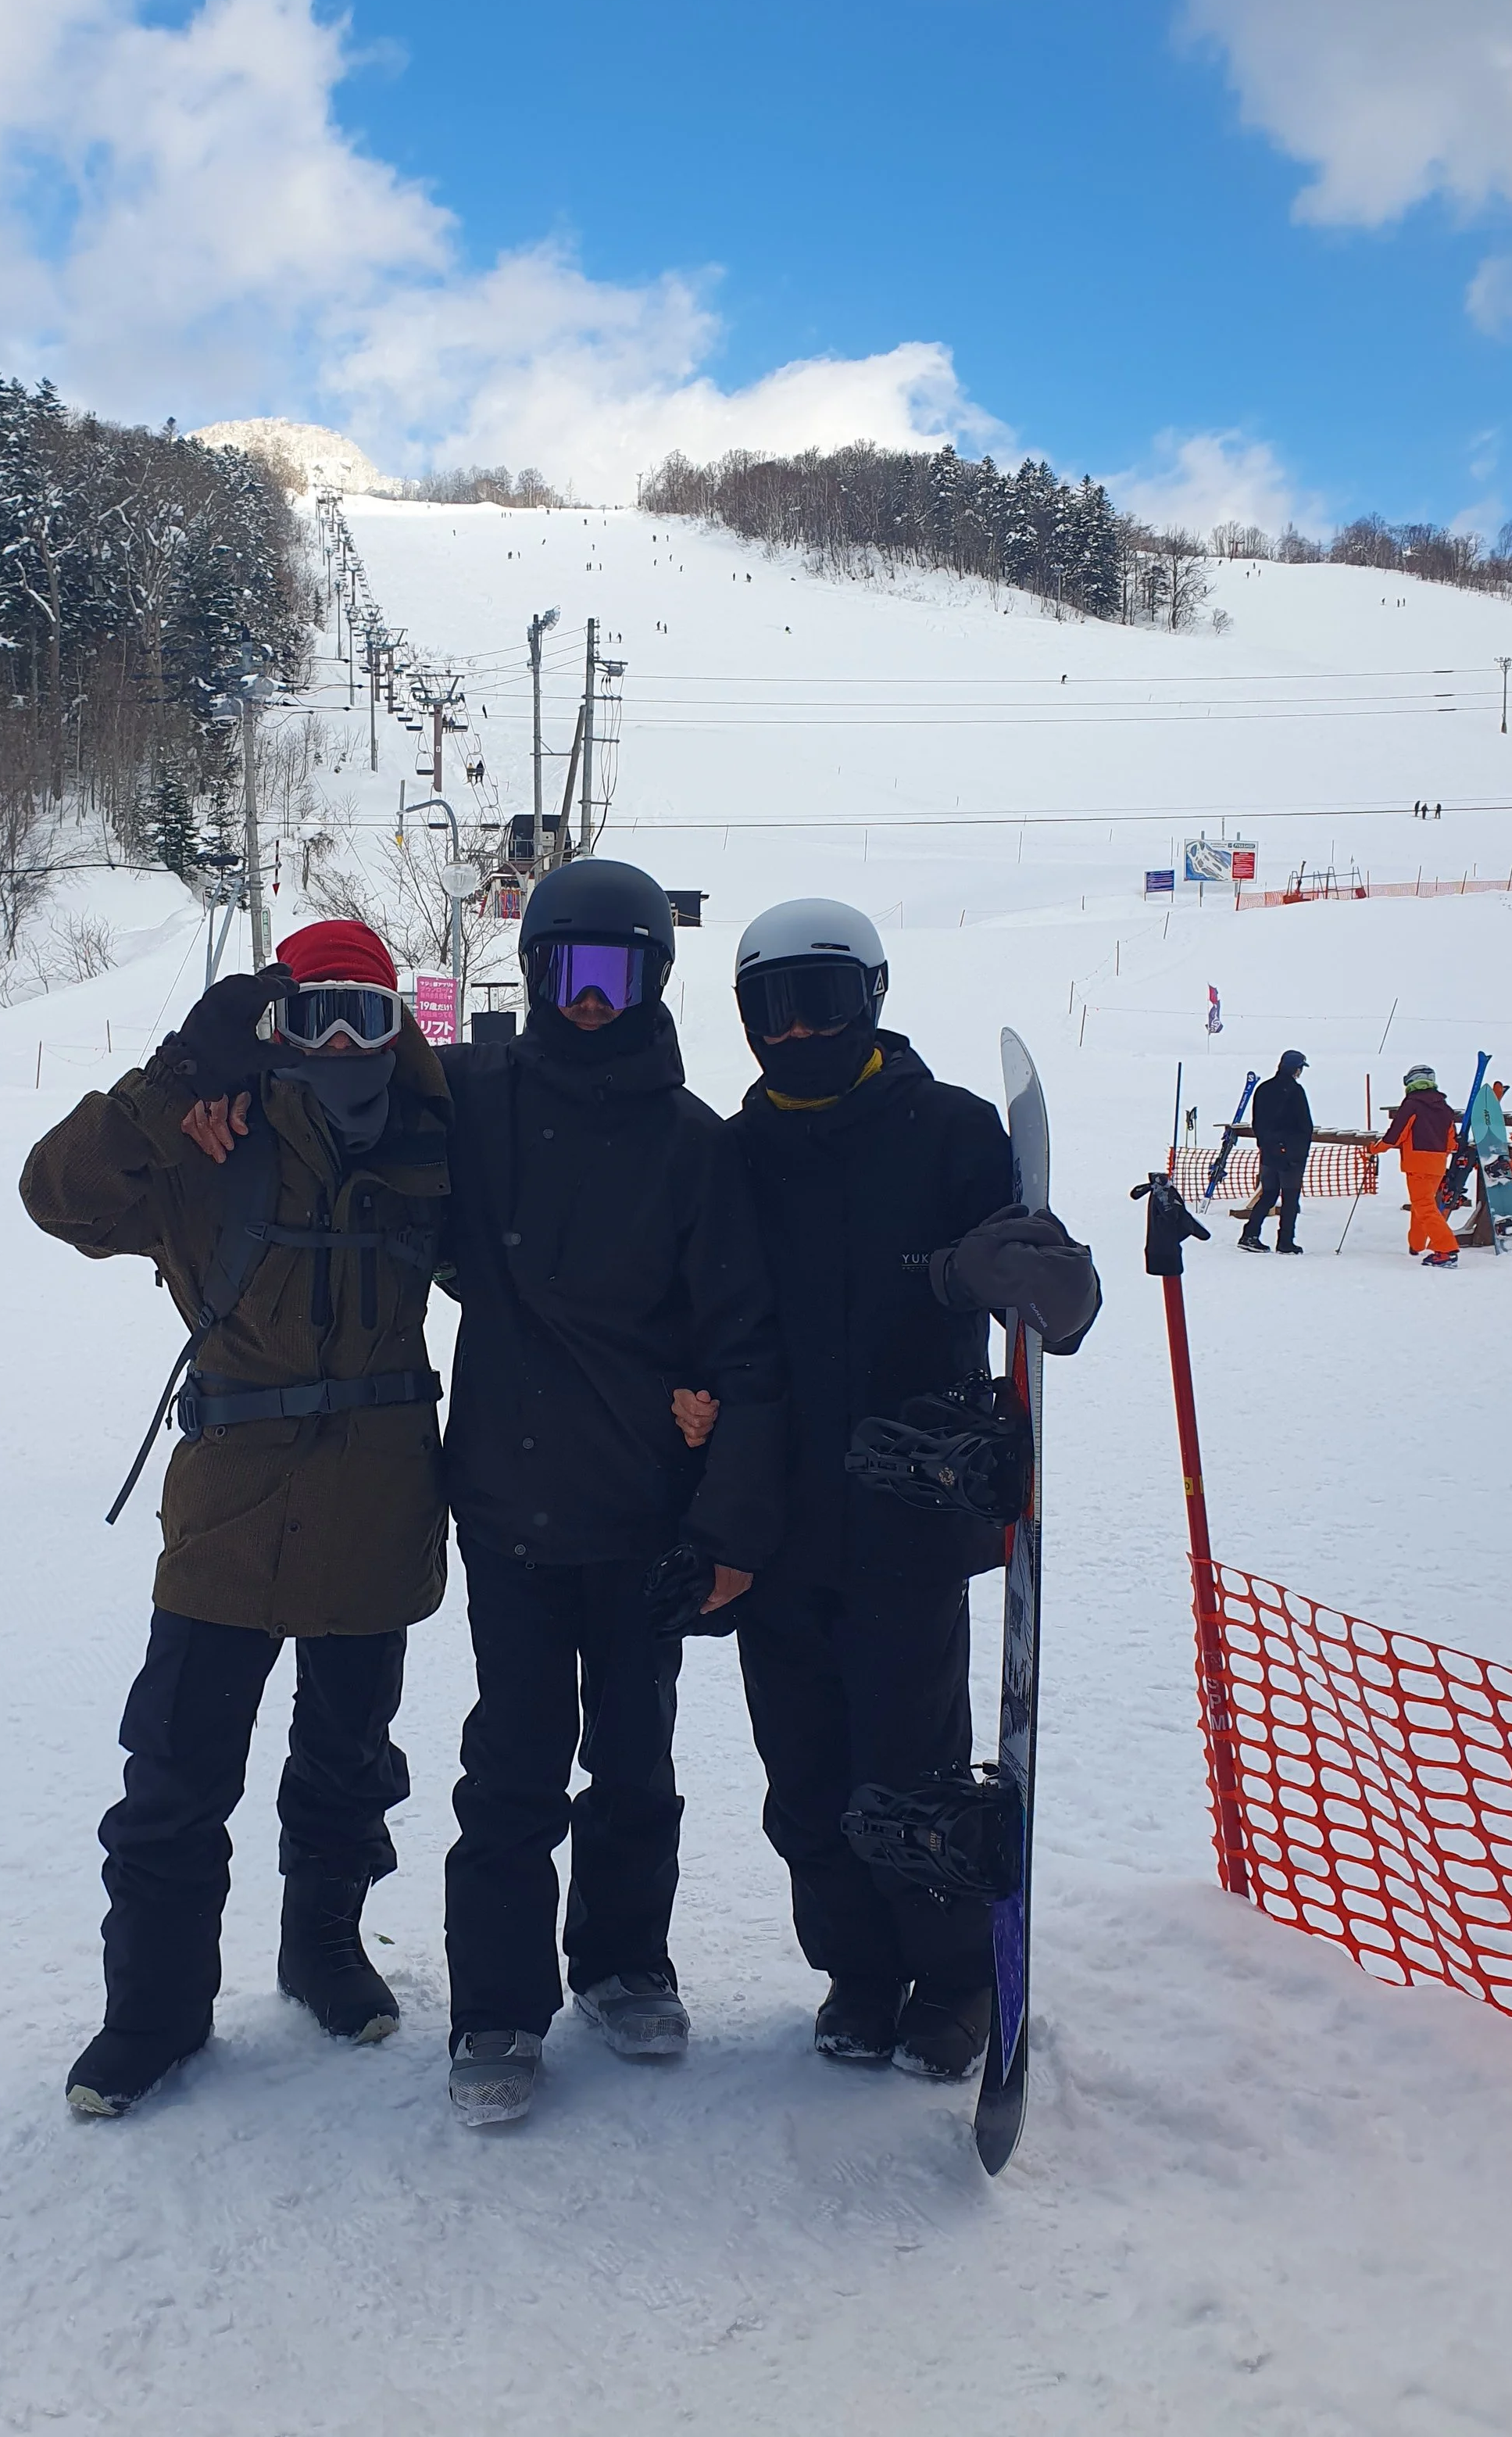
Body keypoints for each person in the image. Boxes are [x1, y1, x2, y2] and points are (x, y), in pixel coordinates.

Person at [20, 920, 452, 2116]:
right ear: (267, 1024)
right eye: (309, 1014)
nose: (340, 1043)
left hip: (377, 1505)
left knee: (348, 1761)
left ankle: (322, 1945)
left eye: (366, 1015)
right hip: (231, 1514)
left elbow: (559, 1253)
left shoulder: (432, 1139)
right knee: (175, 1771)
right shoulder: (211, 1138)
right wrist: (169, 1082)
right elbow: (57, 1197)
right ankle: (153, 2009)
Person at [696, 900, 1099, 2081]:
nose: (801, 1028)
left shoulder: (948, 1131)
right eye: (776, 1007)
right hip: (772, 1524)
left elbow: (1060, 1306)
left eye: (824, 1000)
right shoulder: (736, 1150)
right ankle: (858, 1975)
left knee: (909, 1773)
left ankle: (955, 1977)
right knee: (805, 1780)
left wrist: (1034, 1277)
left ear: (871, 999)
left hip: (905, 1519)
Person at [437, 858, 787, 2126]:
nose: (591, 999)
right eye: (570, 972)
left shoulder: (692, 1144)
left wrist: (727, 1511)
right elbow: (338, 1098)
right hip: (511, 1508)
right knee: (514, 1763)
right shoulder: (476, 1103)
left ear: (652, 981)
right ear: (534, 974)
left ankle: (626, 1958)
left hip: (641, 1512)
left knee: (635, 1757)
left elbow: (745, 1342)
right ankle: (497, 2004)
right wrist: (216, 1069)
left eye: (617, 973)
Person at [1370, 1065, 1460, 1266]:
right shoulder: (1445, 1108)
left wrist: (1375, 1149)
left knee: (1425, 1207)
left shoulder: (1411, 1105)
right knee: (1423, 1204)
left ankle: (1447, 1250)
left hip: (1417, 1164)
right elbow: (1451, 1143)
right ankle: (1417, 1245)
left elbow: (1396, 1135)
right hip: (1437, 1164)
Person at [1239, 1049, 1313, 1254]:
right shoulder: (1295, 1092)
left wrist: (1266, 1145)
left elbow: (1258, 1123)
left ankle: (1249, 1235)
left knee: (1268, 1195)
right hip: (1291, 1155)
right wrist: (1297, 1152)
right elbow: (1304, 1125)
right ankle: (1286, 1242)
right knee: (1290, 1199)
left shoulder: (1263, 1089)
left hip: (1269, 1153)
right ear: (1296, 1070)